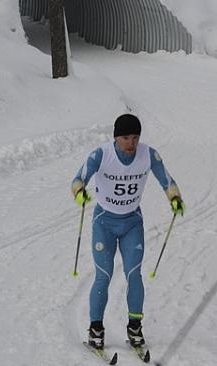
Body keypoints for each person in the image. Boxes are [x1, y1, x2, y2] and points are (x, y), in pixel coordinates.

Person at [72, 113, 184, 351]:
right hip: (104, 223)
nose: (131, 143)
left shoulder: (148, 154)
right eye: (125, 138)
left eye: (135, 137)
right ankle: (96, 329)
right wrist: (80, 191)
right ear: (115, 137)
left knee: (134, 274)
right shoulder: (101, 155)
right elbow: (78, 179)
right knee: (104, 274)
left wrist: (174, 198)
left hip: (132, 222)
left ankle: (135, 328)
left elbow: (167, 180)